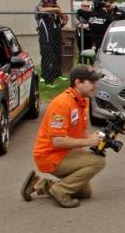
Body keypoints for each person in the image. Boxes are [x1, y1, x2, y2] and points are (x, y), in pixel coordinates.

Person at [22, 65, 106, 209]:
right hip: (49, 156)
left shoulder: (81, 101)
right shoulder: (62, 103)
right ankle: (59, 190)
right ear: (78, 82)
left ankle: (39, 183)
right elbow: (58, 141)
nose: (95, 85)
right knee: (99, 162)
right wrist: (88, 141)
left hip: (65, 153)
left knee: (85, 192)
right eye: (91, 82)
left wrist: (95, 138)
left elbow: (81, 133)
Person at [35, 0, 69, 85]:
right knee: (47, 57)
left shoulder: (55, 9)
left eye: (54, 2)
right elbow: (40, 10)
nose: (52, 4)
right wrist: (56, 9)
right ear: (46, 1)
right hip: (46, 38)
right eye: (50, 2)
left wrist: (59, 11)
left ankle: (57, 74)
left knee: (57, 57)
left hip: (56, 37)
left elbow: (65, 18)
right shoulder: (40, 8)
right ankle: (45, 77)